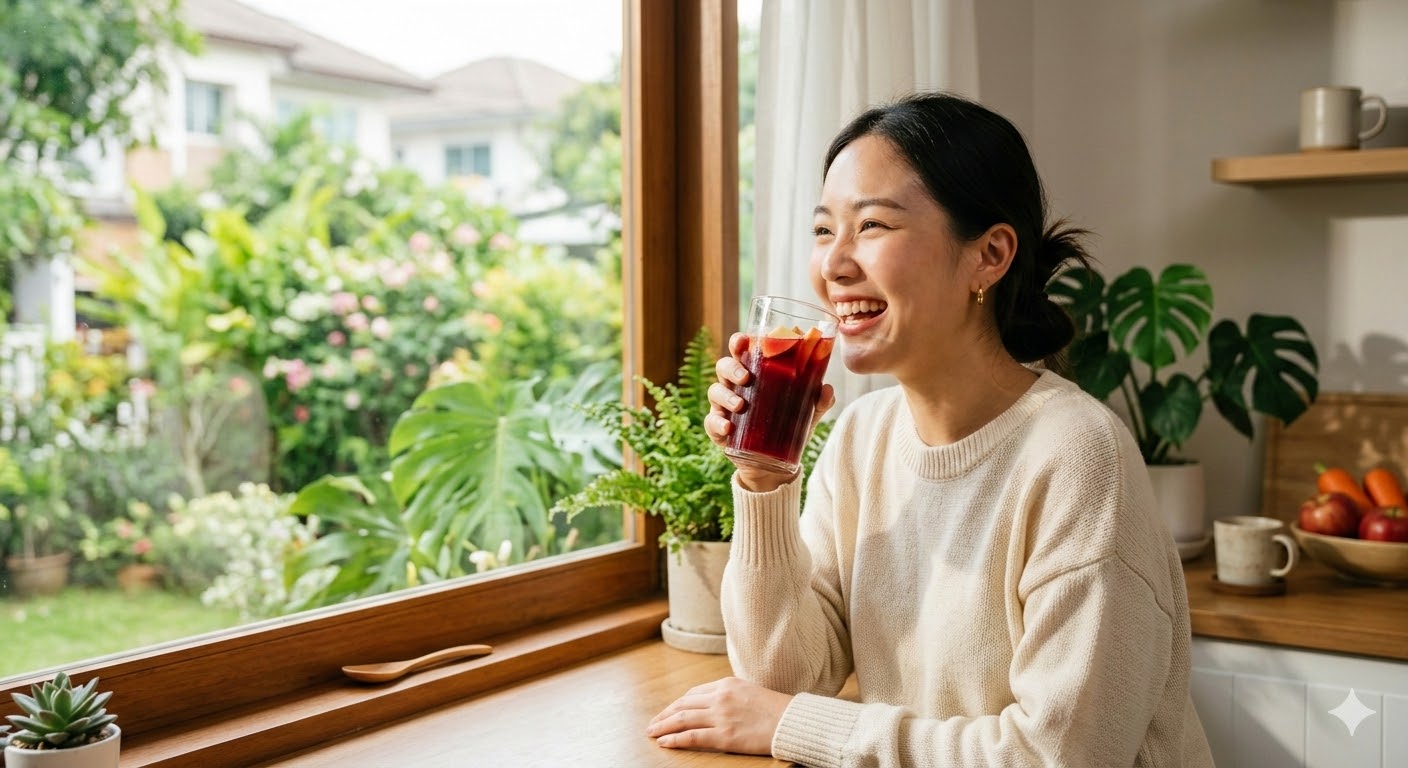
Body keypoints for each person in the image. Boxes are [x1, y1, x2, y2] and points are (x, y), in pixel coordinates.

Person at [645, 91, 1215, 767]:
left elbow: (1058, 757)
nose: (834, 264)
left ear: (989, 256)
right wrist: (763, 480)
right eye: (824, 230)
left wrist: (799, 726)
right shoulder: (862, 438)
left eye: (875, 227)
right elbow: (784, 681)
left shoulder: (1078, 455)